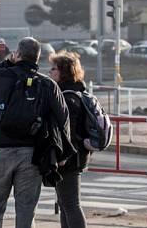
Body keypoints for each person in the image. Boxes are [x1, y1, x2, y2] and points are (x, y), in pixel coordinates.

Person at [0, 37, 72, 228]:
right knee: (26, 209)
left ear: (18, 54)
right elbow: (63, 119)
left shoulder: (3, 76)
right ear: (38, 58)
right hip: (32, 153)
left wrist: (7, 62)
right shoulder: (47, 85)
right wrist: (62, 153)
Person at [48, 52, 90, 228]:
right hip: (72, 156)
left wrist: (62, 155)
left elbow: (69, 132)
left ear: (63, 72)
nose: (50, 72)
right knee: (66, 204)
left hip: (70, 158)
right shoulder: (72, 91)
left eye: (53, 68)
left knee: (71, 204)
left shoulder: (68, 97)